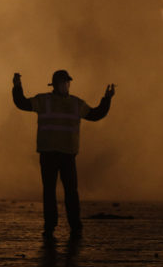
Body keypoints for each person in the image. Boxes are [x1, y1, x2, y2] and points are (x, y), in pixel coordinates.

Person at [13, 69, 115, 241]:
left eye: (67, 82)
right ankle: (50, 226)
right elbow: (22, 103)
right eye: (63, 83)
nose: (66, 85)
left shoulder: (76, 104)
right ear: (55, 85)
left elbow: (96, 114)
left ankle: (75, 226)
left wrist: (107, 99)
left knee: (71, 192)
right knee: (50, 192)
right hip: (49, 154)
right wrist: (17, 86)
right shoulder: (44, 100)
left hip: (68, 155)